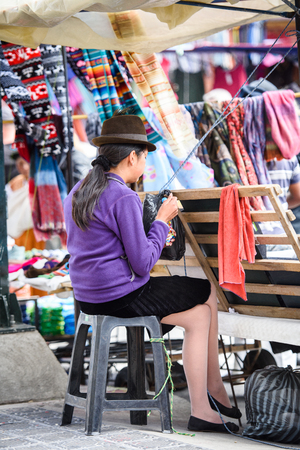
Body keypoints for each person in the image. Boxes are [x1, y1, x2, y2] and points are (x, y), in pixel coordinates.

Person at [63, 112, 240, 433]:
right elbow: (143, 264)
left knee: (199, 312)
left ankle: (211, 397)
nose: (144, 164)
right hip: (120, 297)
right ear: (133, 157)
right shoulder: (123, 196)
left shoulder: (78, 192)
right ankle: (209, 398)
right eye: (144, 157)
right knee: (206, 294)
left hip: (88, 298)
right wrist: (161, 220)